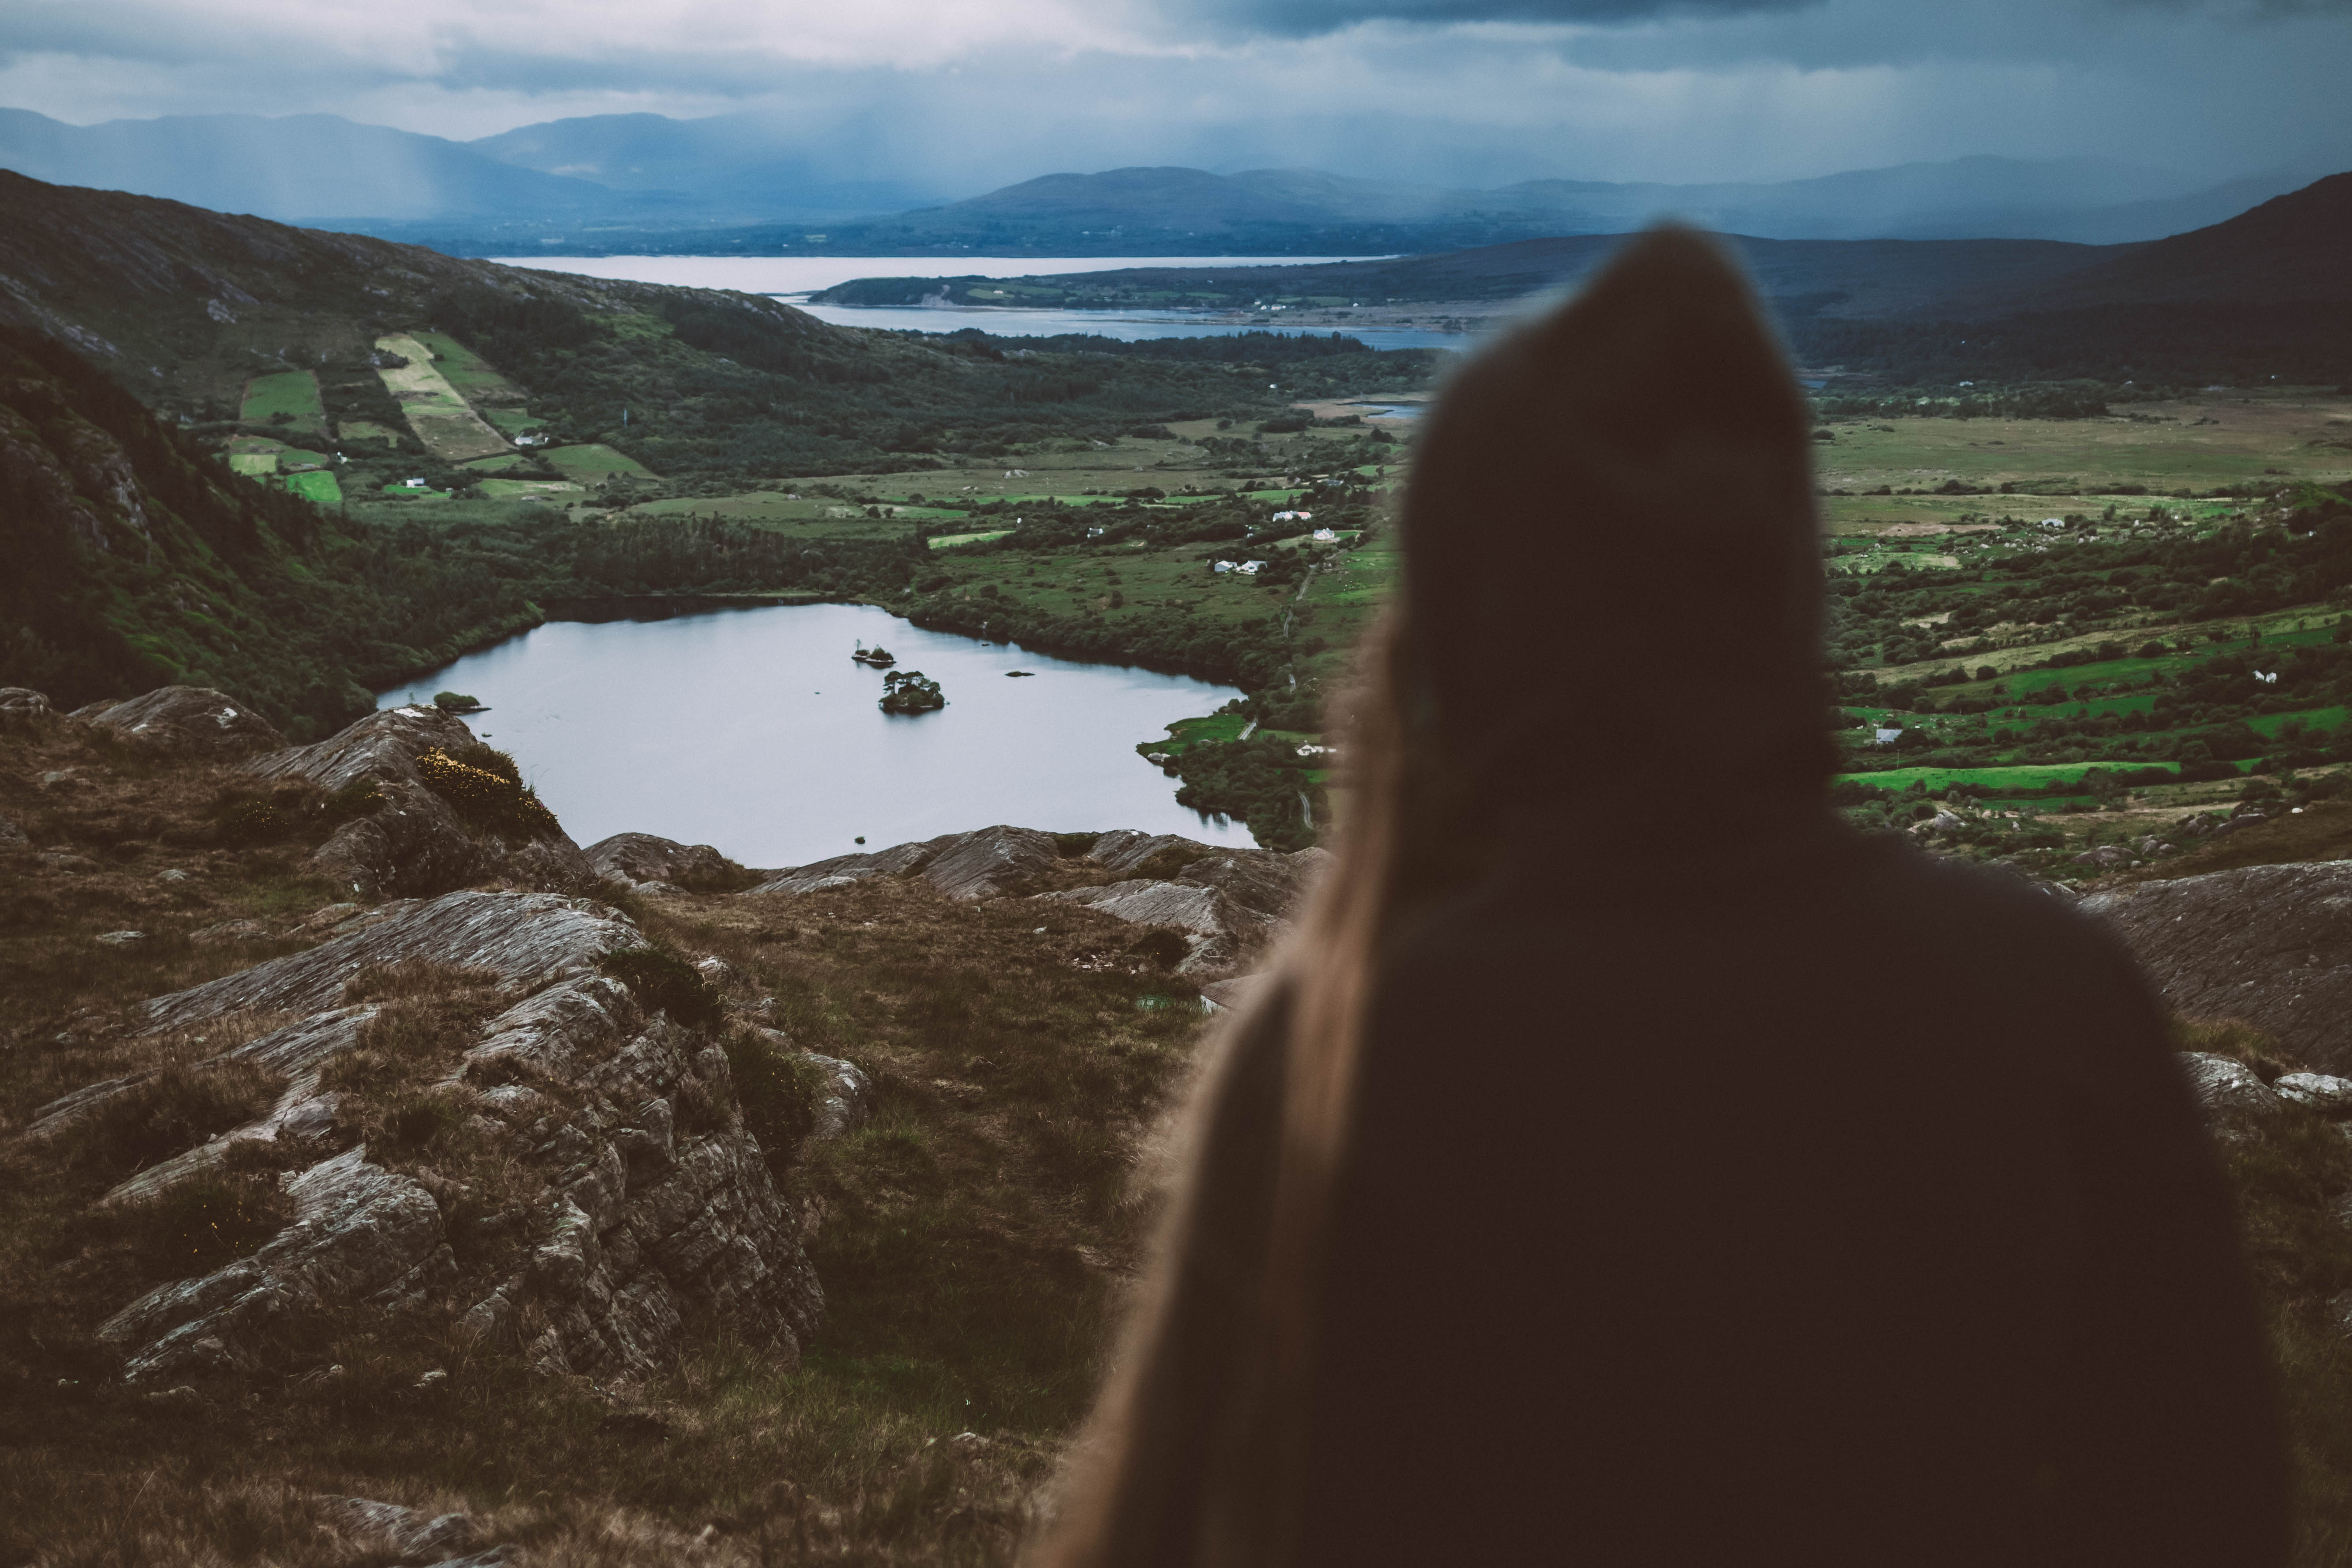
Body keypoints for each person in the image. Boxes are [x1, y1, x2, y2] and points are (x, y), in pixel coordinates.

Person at [1027, 228, 2287, 1568]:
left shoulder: (1358, 1049)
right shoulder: (2050, 997)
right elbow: (2206, 1506)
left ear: (1465, 627)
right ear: (1786, 590)